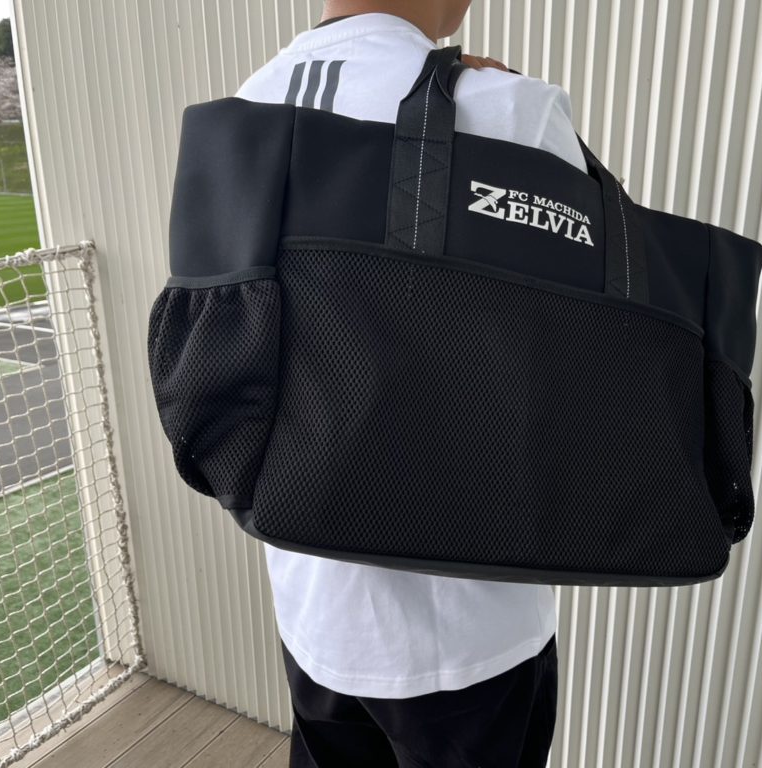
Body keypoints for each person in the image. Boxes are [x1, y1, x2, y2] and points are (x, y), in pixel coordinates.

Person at [234, 2, 588, 765]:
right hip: (468, 628)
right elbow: (583, 359)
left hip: (312, 597)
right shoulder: (507, 110)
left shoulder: (245, 104)